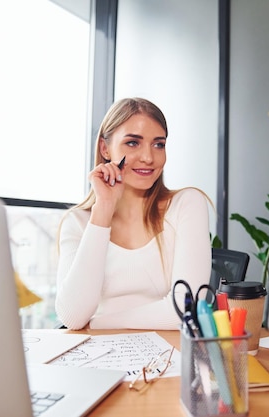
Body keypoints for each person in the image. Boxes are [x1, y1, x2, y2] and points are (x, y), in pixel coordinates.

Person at [55, 97, 212, 330]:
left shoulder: (186, 204)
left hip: (164, 355)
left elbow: (185, 308)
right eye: (132, 143)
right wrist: (103, 210)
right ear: (104, 148)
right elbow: (73, 317)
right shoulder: (77, 222)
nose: (149, 157)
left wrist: (97, 323)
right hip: (95, 356)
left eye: (158, 144)